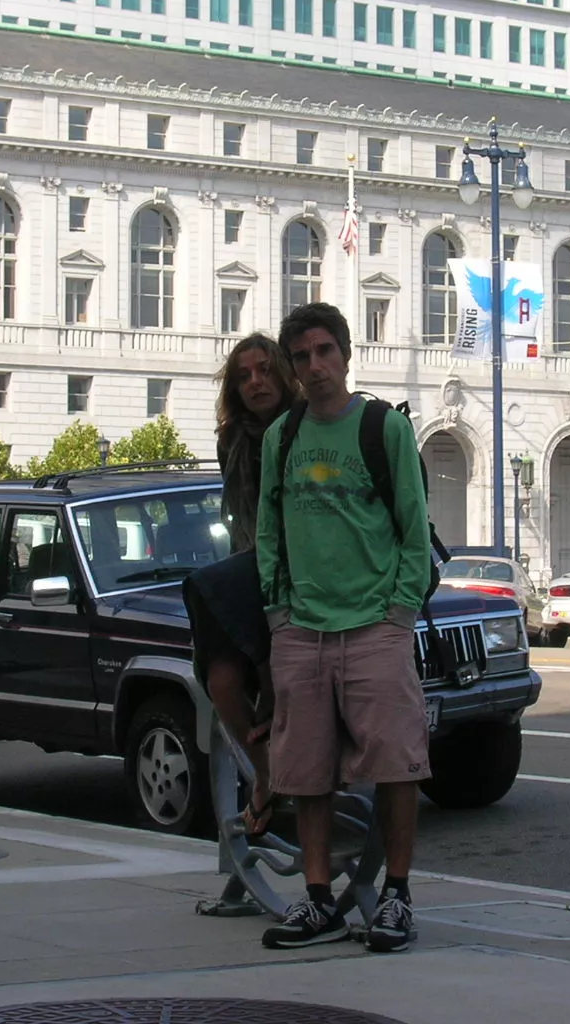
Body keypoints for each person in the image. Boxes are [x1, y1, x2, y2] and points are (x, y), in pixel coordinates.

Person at [256, 302, 432, 954]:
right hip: (301, 629)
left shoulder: (384, 428)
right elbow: (268, 530)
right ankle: (318, 898)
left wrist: (400, 611)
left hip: (374, 626)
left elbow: (413, 528)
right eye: (302, 357)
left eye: (324, 351)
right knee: (305, 772)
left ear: (346, 353)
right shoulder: (282, 438)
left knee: (397, 765)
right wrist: (278, 612)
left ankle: (397, 895)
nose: (315, 367)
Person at [202, 333, 299, 838]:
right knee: (221, 679)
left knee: (283, 679)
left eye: (264, 370)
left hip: (300, 573)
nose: (256, 382)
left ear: (282, 372)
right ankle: (265, 775)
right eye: (244, 376)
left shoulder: (306, 427)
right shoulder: (232, 440)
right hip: (250, 566)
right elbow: (240, 516)